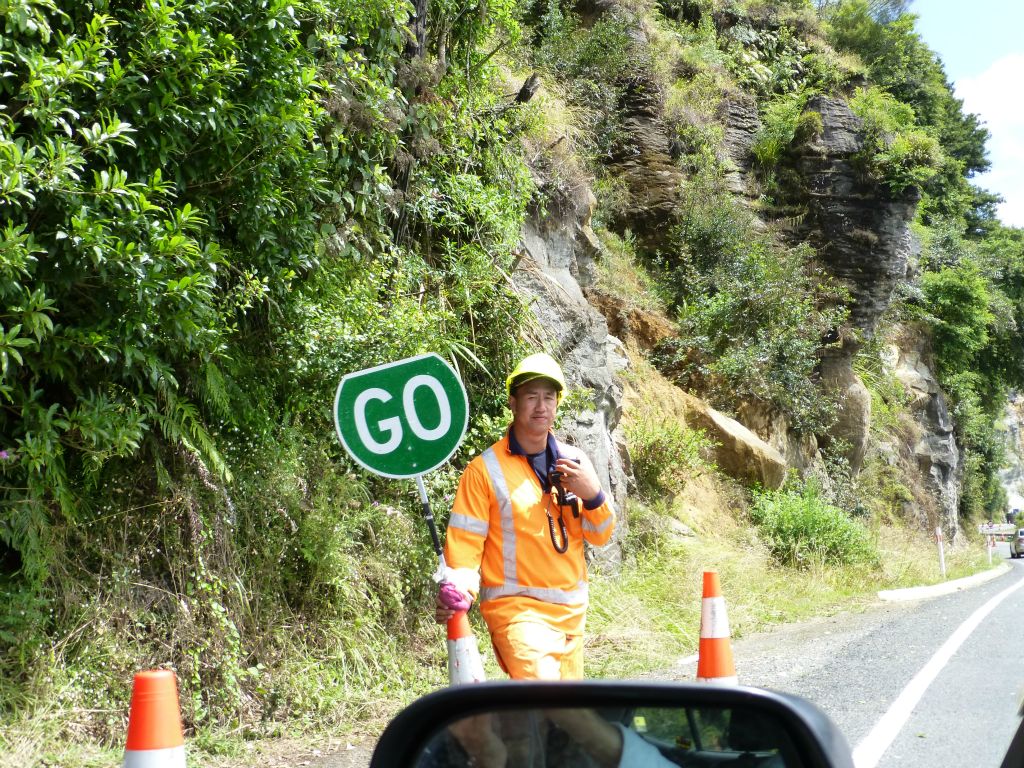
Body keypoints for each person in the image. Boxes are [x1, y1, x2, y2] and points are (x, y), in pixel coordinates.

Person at [436, 352, 616, 680]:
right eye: (531, 397)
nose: (541, 406)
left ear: (558, 404)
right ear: (513, 403)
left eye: (549, 397)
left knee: (561, 723)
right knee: (545, 701)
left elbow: (601, 534)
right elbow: (465, 542)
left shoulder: (575, 462)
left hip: (572, 619)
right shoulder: (484, 471)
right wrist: (458, 590)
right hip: (517, 613)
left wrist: (593, 495)